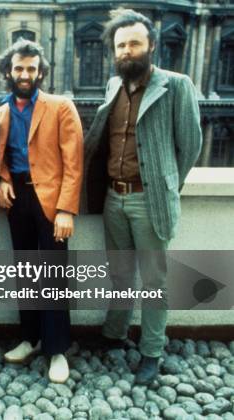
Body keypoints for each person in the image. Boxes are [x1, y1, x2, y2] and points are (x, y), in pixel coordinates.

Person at [84, 8, 202, 385]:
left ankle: (152, 352)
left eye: (134, 43)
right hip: (113, 200)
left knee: (154, 282)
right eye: (120, 45)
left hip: (149, 200)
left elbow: (190, 146)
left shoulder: (176, 85)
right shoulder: (113, 85)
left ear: (150, 45)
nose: (127, 51)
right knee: (119, 274)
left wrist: (166, 187)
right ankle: (114, 334)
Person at [0, 39, 83, 383]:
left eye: (31, 68)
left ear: (41, 72)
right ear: (8, 70)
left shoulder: (60, 106)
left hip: (51, 200)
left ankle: (57, 349)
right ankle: (30, 338)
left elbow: (74, 162)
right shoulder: (0, 111)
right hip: (17, 200)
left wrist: (66, 210)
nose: (25, 74)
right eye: (19, 68)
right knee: (26, 272)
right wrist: (1, 181)